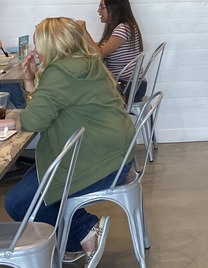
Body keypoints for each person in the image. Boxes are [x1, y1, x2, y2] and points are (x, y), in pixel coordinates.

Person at [9, 17, 136, 267]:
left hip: (97, 160)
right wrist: (30, 83)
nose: (36, 51)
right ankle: (80, 235)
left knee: (19, 203)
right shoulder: (88, 62)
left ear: (51, 45)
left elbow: (33, 121)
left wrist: (24, 99)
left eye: (38, 44)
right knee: (29, 190)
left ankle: (85, 231)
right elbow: (47, 108)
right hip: (117, 154)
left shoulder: (60, 73)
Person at [81, 0, 145, 100]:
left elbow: (100, 54)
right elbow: (101, 46)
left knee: (82, 93)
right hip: (125, 84)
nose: (99, 11)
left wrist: (83, 31)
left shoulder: (123, 28)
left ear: (114, 9)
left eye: (102, 7)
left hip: (129, 87)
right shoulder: (120, 27)